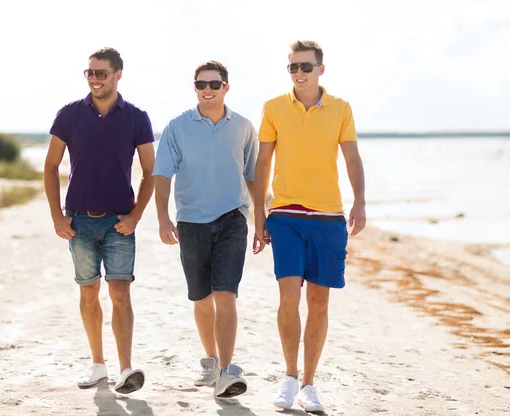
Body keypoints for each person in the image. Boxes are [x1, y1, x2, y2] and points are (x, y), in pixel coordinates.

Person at [253, 40, 367, 413]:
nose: (299, 73)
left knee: (319, 304)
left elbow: (352, 158)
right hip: (285, 215)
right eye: (293, 67)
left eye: (306, 66)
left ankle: (308, 384)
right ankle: (288, 376)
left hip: (329, 218)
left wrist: (360, 202)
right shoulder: (272, 108)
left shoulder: (341, 109)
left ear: (321, 68)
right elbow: (263, 164)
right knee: (288, 297)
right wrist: (259, 213)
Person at [43, 47, 156, 393]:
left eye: (101, 74)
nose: (94, 79)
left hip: (119, 223)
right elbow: (50, 166)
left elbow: (151, 171)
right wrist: (57, 216)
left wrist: (136, 215)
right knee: (89, 291)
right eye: (89, 73)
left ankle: (126, 369)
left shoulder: (136, 117)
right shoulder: (70, 115)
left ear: (118, 74)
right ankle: (97, 364)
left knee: (120, 292)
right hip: (78, 222)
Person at [152, 60, 258, 398]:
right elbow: (162, 175)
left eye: (214, 84)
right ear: (194, 87)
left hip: (232, 219)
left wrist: (261, 220)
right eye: (201, 85)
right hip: (191, 222)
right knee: (201, 297)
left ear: (227, 86)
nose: (207, 90)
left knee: (226, 294)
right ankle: (211, 362)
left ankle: (226, 372)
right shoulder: (177, 127)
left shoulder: (242, 126)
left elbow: (253, 175)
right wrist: (162, 218)